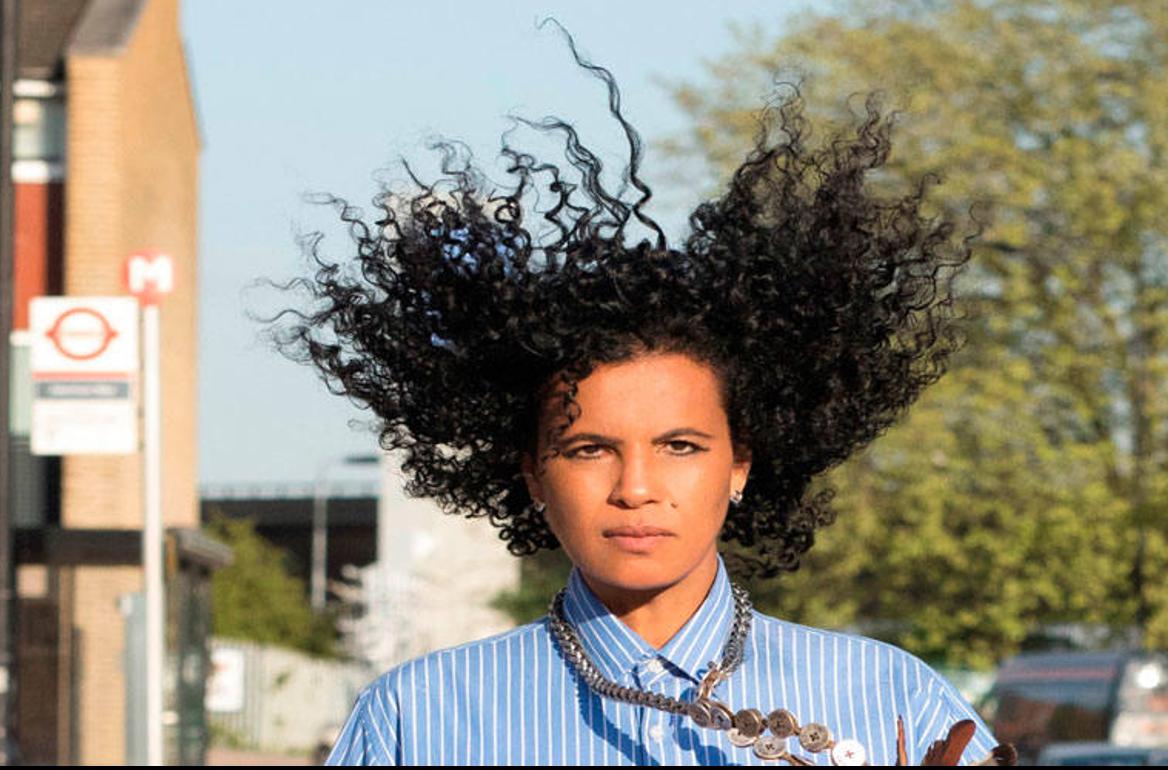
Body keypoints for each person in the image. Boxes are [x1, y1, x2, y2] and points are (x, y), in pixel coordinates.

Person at [276, 30, 1010, 767]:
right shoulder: (417, 717)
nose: (636, 489)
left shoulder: (893, 702)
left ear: (740, 463)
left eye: (680, 447)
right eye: (589, 448)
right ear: (531, 471)